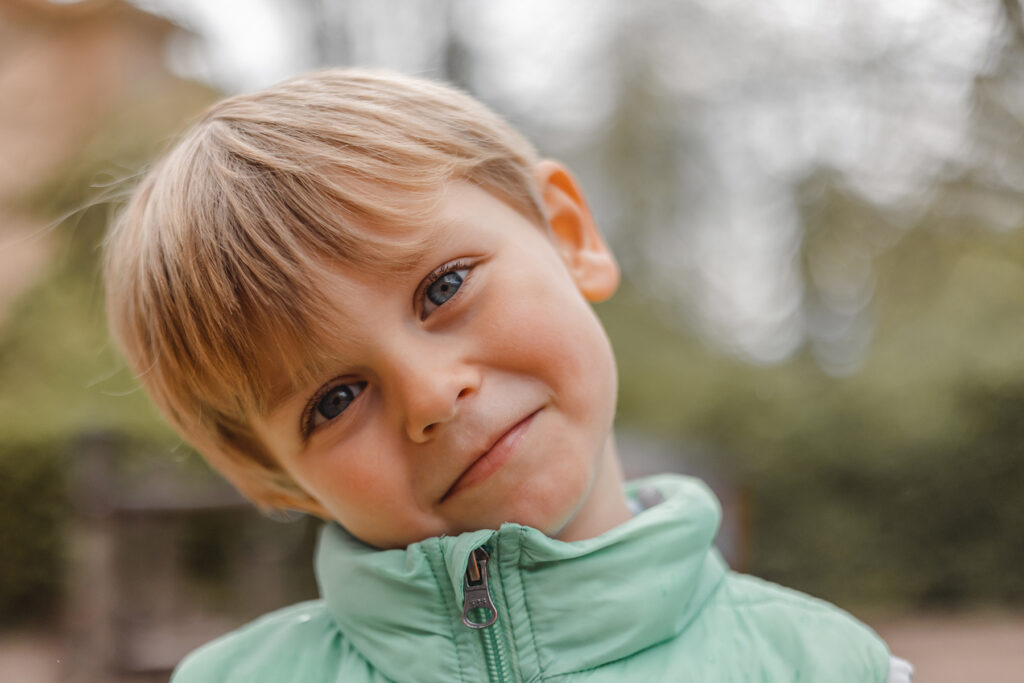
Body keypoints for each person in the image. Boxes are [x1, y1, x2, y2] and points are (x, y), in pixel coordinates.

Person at [103, 68, 912, 682]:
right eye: (335, 399)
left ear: (569, 234)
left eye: (443, 286)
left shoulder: (825, 665)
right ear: (274, 478)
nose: (430, 395)